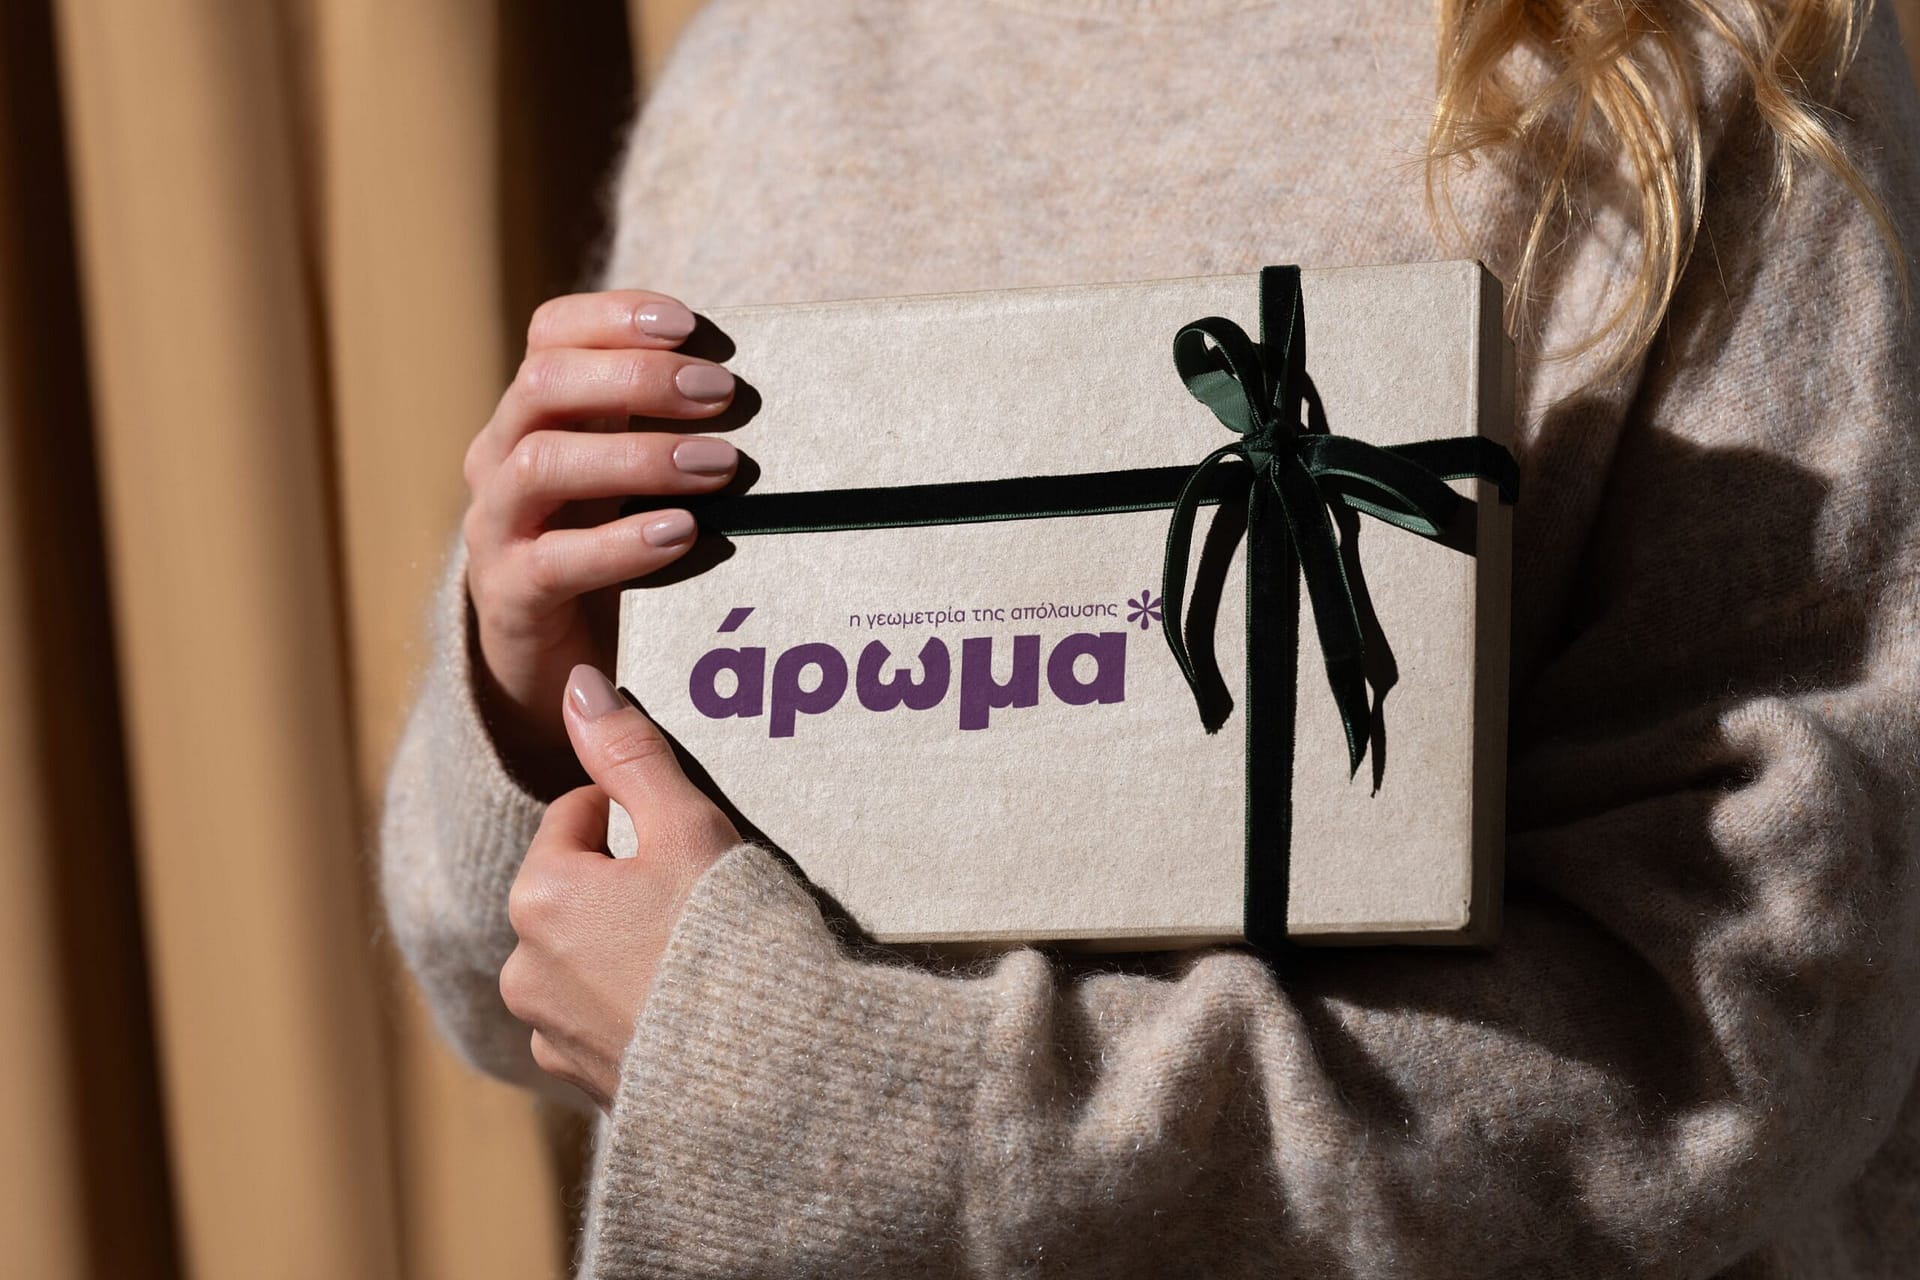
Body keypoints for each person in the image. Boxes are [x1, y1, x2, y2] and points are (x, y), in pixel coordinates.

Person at [377, 0, 1920, 1274]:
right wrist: (534, 697)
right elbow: (505, 988)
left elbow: (1747, 1037)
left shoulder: (1700, 51)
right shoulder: (776, 51)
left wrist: (816, 1085)